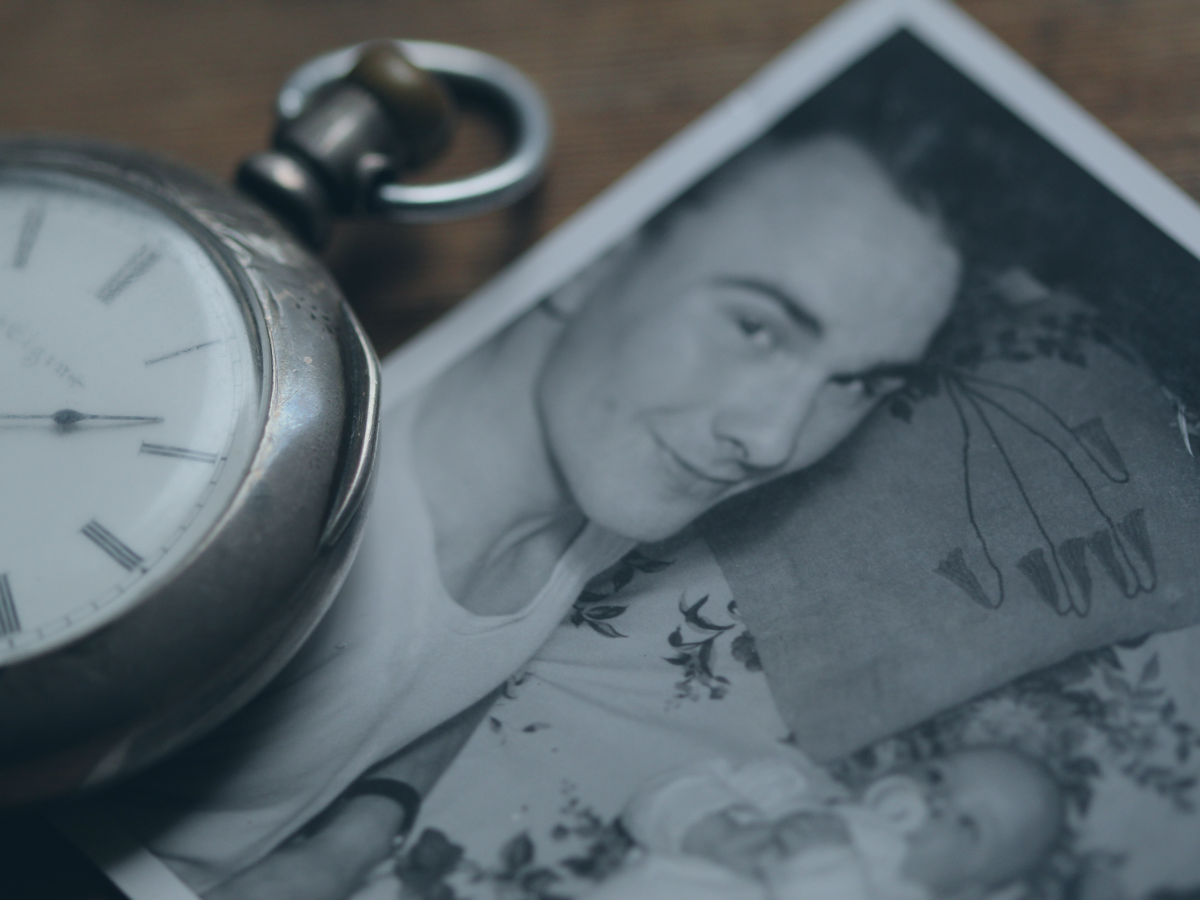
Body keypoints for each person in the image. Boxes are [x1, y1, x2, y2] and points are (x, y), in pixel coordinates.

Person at [104, 132, 962, 900]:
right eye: (758, 328)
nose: (773, 439)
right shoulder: (297, 505)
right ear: (595, 256)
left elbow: (457, 664)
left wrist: (359, 833)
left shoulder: (620, 482)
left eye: (858, 384)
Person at [590, 747, 1065, 900]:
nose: (936, 802)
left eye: (967, 825)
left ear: (969, 890)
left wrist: (824, 867)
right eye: (938, 777)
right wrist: (707, 831)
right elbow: (659, 795)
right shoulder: (789, 792)